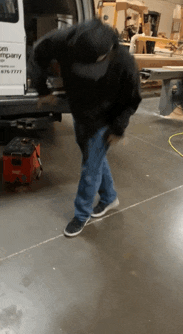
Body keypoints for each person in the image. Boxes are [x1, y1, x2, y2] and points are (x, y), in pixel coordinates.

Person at [28, 17, 142, 237]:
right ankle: (109, 198)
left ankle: (82, 215)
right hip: (80, 111)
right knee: (94, 157)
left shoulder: (124, 62)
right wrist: (42, 89)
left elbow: (132, 99)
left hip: (106, 117)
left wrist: (118, 128)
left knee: (90, 167)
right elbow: (37, 55)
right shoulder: (62, 40)